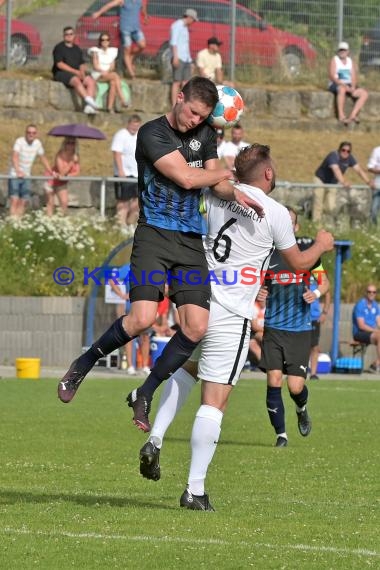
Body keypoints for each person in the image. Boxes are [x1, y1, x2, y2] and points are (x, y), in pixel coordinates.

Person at [57, 77, 263, 431]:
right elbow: (185, 177)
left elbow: (217, 183)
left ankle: (146, 391)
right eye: (192, 113)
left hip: (190, 239)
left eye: (202, 118)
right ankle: (84, 362)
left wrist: (236, 193)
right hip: (154, 234)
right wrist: (223, 172)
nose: (194, 121)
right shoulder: (152, 133)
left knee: (197, 327)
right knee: (142, 319)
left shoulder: (207, 135)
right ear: (179, 98)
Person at [136, 145, 334, 510]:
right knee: (215, 401)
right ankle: (195, 489)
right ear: (268, 174)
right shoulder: (274, 213)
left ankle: (157, 438)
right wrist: (322, 244)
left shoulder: (215, 192)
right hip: (231, 313)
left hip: (198, 301)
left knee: (186, 372)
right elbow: (300, 262)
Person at [260, 207, 330, 448]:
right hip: (273, 328)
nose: (287, 226)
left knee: (295, 386)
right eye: (283, 222)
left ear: (296, 228)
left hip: (299, 330)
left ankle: (301, 408)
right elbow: (258, 284)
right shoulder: (266, 254)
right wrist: (259, 291)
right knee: (274, 380)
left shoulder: (308, 256)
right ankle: (281, 436)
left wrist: (317, 292)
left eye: (291, 223)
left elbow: (325, 281)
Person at [312, 141, 375, 224]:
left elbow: (359, 170)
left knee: (331, 206)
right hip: (320, 180)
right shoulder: (333, 156)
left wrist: (368, 181)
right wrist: (343, 182)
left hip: (332, 183)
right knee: (318, 203)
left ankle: (320, 217)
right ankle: (316, 224)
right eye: (343, 150)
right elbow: (336, 170)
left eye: (348, 151)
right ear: (339, 150)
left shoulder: (350, 158)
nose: (345, 152)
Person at [106, 264, 150, 375]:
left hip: (146, 306)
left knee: (145, 337)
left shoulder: (152, 265)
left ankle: (145, 366)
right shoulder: (129, 267)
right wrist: (122, 295)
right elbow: (112, 280)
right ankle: (130, 366)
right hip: (131, 307)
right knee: (129, 336)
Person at [92, 0, 148, 80]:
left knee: (142, 45)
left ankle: (130, 56)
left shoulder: (139, 1)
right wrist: (98, 13)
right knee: (127, 50)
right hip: (125, 29)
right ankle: (132, 74)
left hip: (136, 28)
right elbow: (109, 5)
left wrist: (145, 16)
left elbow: (143, 8)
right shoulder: (122, 1)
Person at [8, 124, 53, 218]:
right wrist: (18, 171)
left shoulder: (37, 143)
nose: (31, 134)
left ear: (36, 134)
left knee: (24, 200)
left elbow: (43, 158)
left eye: (33, 133)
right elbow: (15, 156)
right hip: (15, 174)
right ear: (25, 133)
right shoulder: (19, 141)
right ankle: (12, 223)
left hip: (27, 175)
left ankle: (18, 222)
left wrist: (50, 172)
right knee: (14, 199)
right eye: (29, 132)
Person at [52, 26, 99, 115]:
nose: (69, 36)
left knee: (90, 81)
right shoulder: (59, 48)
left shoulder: (77, 49)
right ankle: (90, 101)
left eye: (71, 34)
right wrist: (75, 72)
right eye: (67, 34)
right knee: (76, 80)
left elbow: (81, 63)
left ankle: (88, 107)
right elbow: (59, 64)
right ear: (63, 36)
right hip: (61, 73)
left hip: (76, 73)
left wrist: (82, 73)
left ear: (74, 35)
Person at [111, 114, 142, 229]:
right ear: (128, 124)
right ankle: (121, 225)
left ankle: (130, 224)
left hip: (137, 174)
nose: (134, 128)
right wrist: (120, 171)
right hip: (124, 174)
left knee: (138, 201)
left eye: (137, 126)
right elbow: (117, 153)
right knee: (123, 201)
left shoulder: (139, 136)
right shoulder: (121, 135)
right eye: (133, 126)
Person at [328, 41, 368, 125]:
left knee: (364, 93)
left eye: (344, 50)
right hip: (336, 83)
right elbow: (332, 76)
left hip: (348, 84)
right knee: (342, 89)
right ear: (338, 51)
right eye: (341, 50)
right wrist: (343, 85)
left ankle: (353, 115)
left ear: (348, 51)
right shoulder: (334, 60)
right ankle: (341, 116)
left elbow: (353, 76)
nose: (342, 52)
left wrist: (353, 87)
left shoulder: (350, 61)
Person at [89, 33, 129, 112]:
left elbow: (112, 66)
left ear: (109, 41)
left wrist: (107, 72)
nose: (105, 41)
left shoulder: (112, 52)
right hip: (98, 73)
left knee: (113, 83)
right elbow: (95, 65)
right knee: (115, 75)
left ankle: (109, 107)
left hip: (108, 74)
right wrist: (103, 71)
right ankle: (122, 99)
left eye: (107, 40)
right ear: (100, 41)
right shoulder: (96, 51)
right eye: (103, 40)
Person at [44, 137, 80, 216]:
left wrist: (69, 175)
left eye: (72, 143)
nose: (70, 145)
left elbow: (77, 172)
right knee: (50, 202)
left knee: (64, 202)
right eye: (68, 143)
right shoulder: (60, 154)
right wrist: (71, 162)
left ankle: (63, 221)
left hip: (62, 181)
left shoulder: (76, 155)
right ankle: (48, 220)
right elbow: (61, 172)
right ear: (65, 144)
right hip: (51, 179)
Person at [170, 9, 198, 106]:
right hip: (179, 57)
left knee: (186, 83)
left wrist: (190, 61)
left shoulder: (185, 28)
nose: (193, 22)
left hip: (186, 59)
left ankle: (183, 103)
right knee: (177, 82)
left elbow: (185, 46)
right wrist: (175, 57)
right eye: (193, 20)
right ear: (189, 17)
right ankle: (174, 105)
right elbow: (174, 42)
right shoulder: (177, 25)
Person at [352, 284, 380, 373]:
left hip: (372, 333)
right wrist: (376, 331)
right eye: (369, 292)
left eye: (374, 292)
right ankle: (376, 364)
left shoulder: (376, 306)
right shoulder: (360, 305)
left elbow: (379, 322)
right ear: (365, 293)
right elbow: (361, 326)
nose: (371, 294)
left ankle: (376, 363)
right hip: (359, 333)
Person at [248, 299, 266, 367]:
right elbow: (255, 327)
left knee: (253, 343)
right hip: (257, 333)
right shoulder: (254, 307)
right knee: (252, 343)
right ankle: (265, 365)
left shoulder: (271, 306)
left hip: (270, 332)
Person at [367, 145, 380, 225]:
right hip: (378, 185)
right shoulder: (377, 150)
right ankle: (373, 230)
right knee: (374, 210)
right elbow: (370, 167)